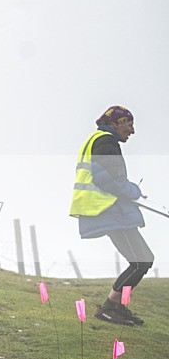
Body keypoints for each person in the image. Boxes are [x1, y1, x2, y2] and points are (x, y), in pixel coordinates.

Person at [69, 106, 152, 326]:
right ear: (116, 123)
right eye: (129, 125)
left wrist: (130, 190)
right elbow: (108, 180)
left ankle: (116, 306)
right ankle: (107, 308)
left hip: (109, 211)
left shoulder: (100, 140)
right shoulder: (106, 141)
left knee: (142, 260)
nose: (132, 131)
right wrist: (134, 191)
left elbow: (109, 177)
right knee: (141, 261)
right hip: (108, 211)